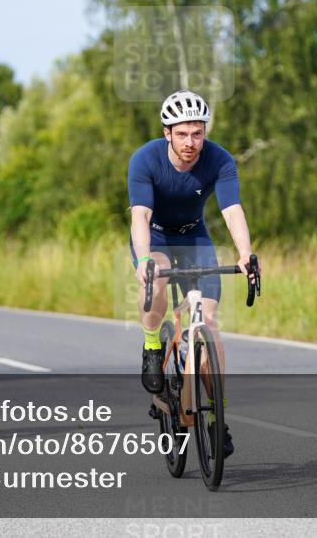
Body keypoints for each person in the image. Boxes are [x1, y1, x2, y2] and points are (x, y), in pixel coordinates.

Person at [128, 89, 257, 458]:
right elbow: (140, 215)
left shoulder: (219, 159)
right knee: (158, 275)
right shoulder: (145, 159)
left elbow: (232, 209)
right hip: (154, 239)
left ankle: (217, 417)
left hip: (195, 238)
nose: (190, 142)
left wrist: (245, 254)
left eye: (197, 133)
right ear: (167, 132)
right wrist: (143, 261)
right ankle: (153, 345)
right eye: (182, 133)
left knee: (207, 327)